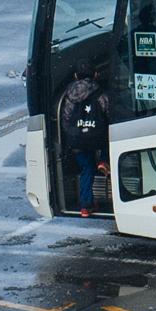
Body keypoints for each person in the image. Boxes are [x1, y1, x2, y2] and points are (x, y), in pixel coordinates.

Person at [58, 62, 112, 216]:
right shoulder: (100, 92)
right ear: (96, 75)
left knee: (86, 170)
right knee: (108, 141)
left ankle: (85, 206)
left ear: (75, 76)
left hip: (77, 139)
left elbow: (66, 118)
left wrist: (74, 135)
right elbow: (108, 113)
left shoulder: (68, 94)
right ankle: (104, 160)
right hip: (97, 136)